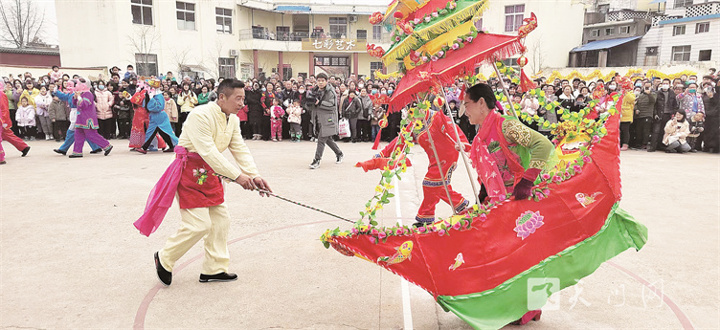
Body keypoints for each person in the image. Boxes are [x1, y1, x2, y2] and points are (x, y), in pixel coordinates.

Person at [137, 79, 272, 286]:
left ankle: (214, 268)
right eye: (238, 99)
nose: (241, 104)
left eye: (243, 99)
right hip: (190, 173)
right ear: (221, 97)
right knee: (198, 225)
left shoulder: (233, 120)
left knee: (221, 221)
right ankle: (165, 258)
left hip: (212, 172)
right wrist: (237, 177)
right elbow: (207, 151)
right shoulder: (199, 115)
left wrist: (254, 175)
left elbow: (239, 148)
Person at [357, 104, 470, 225]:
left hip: (447, 155)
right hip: (434, 159)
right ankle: (460, 204)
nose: (413, 113)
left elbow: (453, 130)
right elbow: (401, 139)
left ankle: (426, 218)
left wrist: (462, 143)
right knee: (439, 186)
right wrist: (382, 154)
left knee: (430, 183)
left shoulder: (437, 117)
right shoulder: (415, 124)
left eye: (417, 108)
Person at [462, 82, 554, 204]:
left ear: (481, 103)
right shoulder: (480, 135)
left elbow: (543, 145)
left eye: (467, 105)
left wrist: (527, 182)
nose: (465, 112)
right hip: (497, 198)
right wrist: (484, 191)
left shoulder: (506, 126)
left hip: (518, 196)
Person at [56, 83, 113, 158]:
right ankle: (77, 152)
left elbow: (83, 104)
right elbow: (75, 104)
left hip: (87, 118)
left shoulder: (88, 94)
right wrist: (75, 97)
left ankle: (106, 145)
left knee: (91, 134)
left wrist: (79, 97)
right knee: (78, 135)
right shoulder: (81, 94)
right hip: (80, 118)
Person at [309, 73, 343, 169]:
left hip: (328, 119)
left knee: (321, 140)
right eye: (318, 80)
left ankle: (317, 160)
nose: (320, 82)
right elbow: (310, 105)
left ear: (326, 81)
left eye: (322, 80)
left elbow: (332, 105)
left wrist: (319, 103)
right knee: (327, 139)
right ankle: (339, 153)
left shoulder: (330, 92)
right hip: (318, 118)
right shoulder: (314, 90)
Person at [649, 79, 677, 152]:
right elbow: (654, 105)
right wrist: (655, 114)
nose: (665, 85)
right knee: (656, 131)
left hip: (668, 114)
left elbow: (675, 105)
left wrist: (673, 114)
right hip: (659, 114)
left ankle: (663, 146)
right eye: (664, 83)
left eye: (666, 83)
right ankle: (653, 147)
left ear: (669, 84)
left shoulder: (672, 93)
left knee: (666, 131)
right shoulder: (657, 93)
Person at [632, 82, 656, 150]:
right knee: (638, 130)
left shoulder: (653, 94)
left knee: (646, 131)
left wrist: (649, 94)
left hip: (648, 115)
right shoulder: (640, 95)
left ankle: (644, 144)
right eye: (646, 87)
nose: (647, 88)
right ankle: (638, 143)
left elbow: (653, 101)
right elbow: (636, 103)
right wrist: (636, 109)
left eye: (649, 87)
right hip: (639, 115)